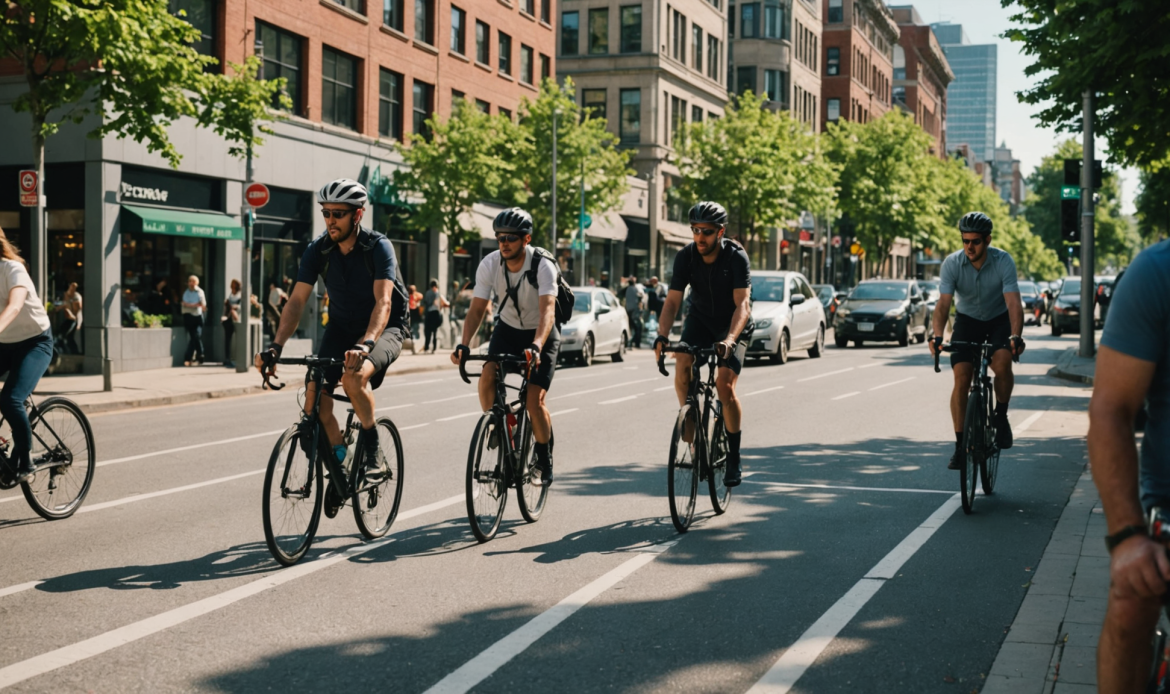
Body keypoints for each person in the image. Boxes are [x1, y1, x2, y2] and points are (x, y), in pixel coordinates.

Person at [256, 178, 410, 490]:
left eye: (338, 213)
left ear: (357, 215)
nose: (330, 220)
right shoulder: (318, 250)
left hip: (385, 328)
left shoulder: (378, 247)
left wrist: (366, 344)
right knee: (314, 401)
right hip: (340, 327)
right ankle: (341, 461)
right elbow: (296, 301)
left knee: (353, 378)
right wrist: (275, 347)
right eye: (326, 213)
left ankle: (373, 454)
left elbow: (383, 301)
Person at [1087, 240, 1169, 694]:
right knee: (1130, 604)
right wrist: (1126, 537)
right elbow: (1111, 411)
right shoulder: (1157, 272)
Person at [450, 207, 560, 485]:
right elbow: (476, 310)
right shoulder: (489, 264)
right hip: (508, 329)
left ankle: (544, 456)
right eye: (500, 238)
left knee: (534, 401)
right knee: (487, 376)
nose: (505, 243)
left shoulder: (542, 265)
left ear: (526, 239)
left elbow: (548, 311)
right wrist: (463, 344)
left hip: (541, 334)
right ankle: (501, 424)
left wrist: (537, 344)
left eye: (511, 237)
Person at [654, 201, 753, 487]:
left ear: (720, 232)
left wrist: (730, 340)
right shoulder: (685, 257)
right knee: (683, 361)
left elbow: (743, 305)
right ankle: (692, 429)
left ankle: (734, 456)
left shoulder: (736, 257)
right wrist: (662, 336)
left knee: (724, 385)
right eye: (695, 230)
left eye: (707, 231)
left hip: (733, 324)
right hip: (700, 319)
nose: (700, 237)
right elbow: (672, 302)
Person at [927, 212, 1026, 470]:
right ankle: (960, 447)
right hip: (967, 321)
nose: (970, 246)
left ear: (988, 240)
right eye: (965, 240)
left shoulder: (1004, 261)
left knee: (1002, 364)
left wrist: (1015, 335)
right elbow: (943, 305)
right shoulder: (951, 264)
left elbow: (1014, 303)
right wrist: (937, 336)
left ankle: (1001, 417)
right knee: (961, 378)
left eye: (976, 241)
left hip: (998, 320)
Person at [0, 228, 54, 482]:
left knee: (10, 399)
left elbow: (15, 305)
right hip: (4, 344)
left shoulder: (12, 269)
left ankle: (25, 457)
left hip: (35, 342)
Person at [181, 275, 207, 366]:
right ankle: (200, 355)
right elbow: (184, 304)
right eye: (190, 281)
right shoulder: (186, 293)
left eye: (193, 281)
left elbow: (202, 304)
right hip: (189, 318)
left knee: (196, 336)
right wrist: (194, 305)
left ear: (197, 283)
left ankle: (189, 357)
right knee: (194, 337)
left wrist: (190, 305)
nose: (191, 283)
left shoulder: (200, 292)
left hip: (198, 317)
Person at [423, 278, 449, 353]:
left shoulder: (428, 293)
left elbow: (426, 303)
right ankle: (433, 348)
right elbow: (443, 303)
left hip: (430, 313)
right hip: (435, 314)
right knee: (434, 331)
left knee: (429, 331)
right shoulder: (437, 293)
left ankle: (427, 347)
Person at [222, 279, 242, 368]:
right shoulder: (230, 296)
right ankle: (227, 359)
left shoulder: (239, 296)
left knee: (238, 340)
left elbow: (241, 307)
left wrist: (234, 307)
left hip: (237, 319)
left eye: (234, 286)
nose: (233, 287)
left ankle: (236, 359)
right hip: (229, 319)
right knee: (228, 340)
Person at [59, 282, 82, 354]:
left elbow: (77, 311)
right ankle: (72, 352)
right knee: (66, 336)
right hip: (69, 319)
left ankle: (73, 352)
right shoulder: (67, 296)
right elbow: (62, 304)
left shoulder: (76, 297)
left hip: (73, 320)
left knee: (67, 337)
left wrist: (78, 323)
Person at [624, 277, 646, 348]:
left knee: (631, 327)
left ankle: (630, 342)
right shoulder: (635, 289)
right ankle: (634, 342)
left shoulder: (627, 289)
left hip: (628, 310)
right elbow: (640, 297)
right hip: (634, 311)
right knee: (638, 327)